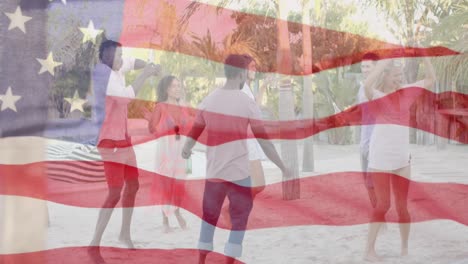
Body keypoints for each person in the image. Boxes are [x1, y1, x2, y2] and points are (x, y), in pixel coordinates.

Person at [181, 54, 290, 264]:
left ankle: (201, 260)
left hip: (214, 173)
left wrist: (186, 149)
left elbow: (195, 131)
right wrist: (282, 165)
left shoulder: (208, 100)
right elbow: (264, 141)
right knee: (239, 219)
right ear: (241, 74)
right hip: (239, 174)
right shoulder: (247, 103)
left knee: (209, 217)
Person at [88, 40, 160, 264]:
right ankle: (94, 244)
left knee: (133, 185)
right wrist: (147, 73)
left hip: (124, 139)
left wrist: (148, 64)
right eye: (118, 55)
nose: (122, 58)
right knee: (114, 192)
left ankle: (124, 233)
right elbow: (126, 96)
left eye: (122, 54)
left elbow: (130, 62)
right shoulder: (105, 76)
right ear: (107, 57)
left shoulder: (116, 67)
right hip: (110, 141)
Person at [363, 54, 436, 261]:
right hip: (380, 160)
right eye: (396, 75)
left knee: (402, 208)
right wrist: (384, 63)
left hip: (402, 159)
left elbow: (431, 79)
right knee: (383, 205)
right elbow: (367, 84)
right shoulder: (376, 95)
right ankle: (369, 250)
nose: (400, 79)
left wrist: (424, 55)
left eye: (401, 75)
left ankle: (404, 249)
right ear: (385, 76)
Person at [146, 75, 192, 232]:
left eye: (179, 85)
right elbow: (151, 128)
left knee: (179, 183)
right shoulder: (161, 107)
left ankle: (177, 212)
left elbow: (190, 127)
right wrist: (162, 129)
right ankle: (165, 220)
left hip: (181, 149)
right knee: (166, 183)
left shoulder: (183, 105)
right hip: (166, 149)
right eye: (174, 86)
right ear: (167, 89)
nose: (177, 88)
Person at [357, 52, 380, 208]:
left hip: (377, 140)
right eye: (363, 66)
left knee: (375, 179)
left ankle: (379, 211)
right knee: (367, 180)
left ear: (376, 67)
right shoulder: (361, 88)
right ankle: (377, 209)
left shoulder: (380, 88)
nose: (365, 69)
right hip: (364, 141)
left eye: (368, 66)